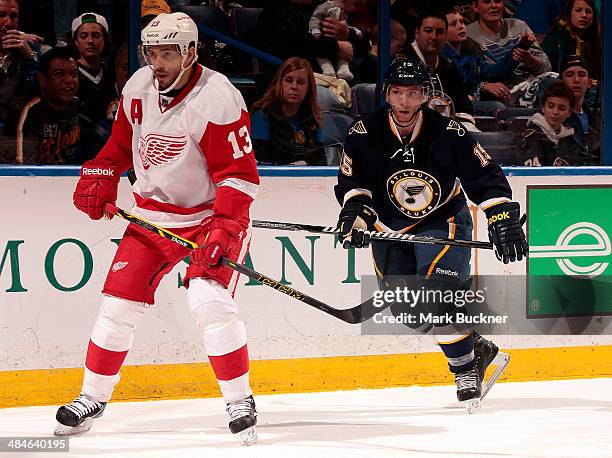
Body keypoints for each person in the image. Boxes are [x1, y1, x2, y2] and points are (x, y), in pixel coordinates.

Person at [54, 12, 260, 445]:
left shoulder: (217, 96)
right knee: (116, 307)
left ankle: (240, 399)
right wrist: (102, 171)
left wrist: (225, 227)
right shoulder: (137, 89)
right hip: (151, 217)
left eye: (167, 52)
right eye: (151, 52)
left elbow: (238, 175)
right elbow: (118, 146)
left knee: (209, 301)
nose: (157, 62)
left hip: (209, 218)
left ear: (190, 52)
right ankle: (91, 397)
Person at [335, 57, 527, 408]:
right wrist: (357, 216)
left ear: (424, 95)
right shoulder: (364, 132)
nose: (404, 102)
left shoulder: (448, 132)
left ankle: (465, 368)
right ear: (386, 94)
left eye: (412, 93)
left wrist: (501, 215)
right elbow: (353, 182)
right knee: (409, 312)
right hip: (388, 228)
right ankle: (477, 349)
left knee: (436, 295)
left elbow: (484, 176)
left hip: (442, 220)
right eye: (397, 93)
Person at [467, 0, 551, 107]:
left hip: (526, 87)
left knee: (552, 84)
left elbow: (546, 67)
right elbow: (467, 77)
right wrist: (485, 85)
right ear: (475, 6)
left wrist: (530, 60)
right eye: (487, 2)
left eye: (498, 1)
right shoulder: (468, 35)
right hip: (495, 93)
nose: (493, 6)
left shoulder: (519, 27)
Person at [250, 57, 325, 165]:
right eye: (289, 80)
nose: (294, 86)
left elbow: (320, 160)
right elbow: (260, 159)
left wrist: (305, 164)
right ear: (279, 83)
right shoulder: (262, 115)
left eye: (301, 82)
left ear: (309, 88)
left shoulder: (313, 118)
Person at [441, 8, 515, 116]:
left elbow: (494, 72)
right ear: (442, 31)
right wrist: (482, 86)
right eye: (453, 24)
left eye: (462, 22)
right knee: (498, 108)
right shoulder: (440, 57)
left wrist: (518, 51)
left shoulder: (470, 54)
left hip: (472, 101)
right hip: (455, 105)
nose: (461, 26)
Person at [15, 46, 81, 164]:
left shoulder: (76, 105)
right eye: (59, 73)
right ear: (42, 79)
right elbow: (23, 169)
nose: (69, 80)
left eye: (74, 73)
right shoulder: (28, 111)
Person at [402, 11, 473, 116]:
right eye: (428, 31)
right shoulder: (400, 64)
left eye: (439, 32)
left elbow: (465, 108)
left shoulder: (449, 68)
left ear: (445, 36)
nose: (434, 37)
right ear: (417, 32)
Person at [71, 12, 115, 159]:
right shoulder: (68, 73)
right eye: (84, 36)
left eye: (96, 36)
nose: (90, 41)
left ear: (105, 40)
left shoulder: (111, 73)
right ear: (76, 42)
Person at [521, 81, 588, 166]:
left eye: (562, 108)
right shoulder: (532, 134)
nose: (555, 112)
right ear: (543, 108)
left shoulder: (571, 137)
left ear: (569, 113)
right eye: (551, 106)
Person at [0, 0, 40, 132]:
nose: (8, 23)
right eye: (1, 15)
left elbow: (44, 93)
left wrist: (30, 58)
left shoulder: (31, 49)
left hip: (22, 131)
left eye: (13, 16)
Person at [540, 0, 600, 79]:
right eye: (578, 10)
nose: (584, 15)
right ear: (569, 13)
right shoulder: (555, 39)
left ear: (593, 18)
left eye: (588, 12)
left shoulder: (596, 42)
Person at [309, 0, 356, 81]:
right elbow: (315, 19)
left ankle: (343, 71)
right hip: (322, 42)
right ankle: (328, 71)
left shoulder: (344, 13)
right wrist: (315, 29)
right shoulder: (325, 6)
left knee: (344, 56)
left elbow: (348, 27)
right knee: (323, 58)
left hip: (338, 44)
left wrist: (353, 32)